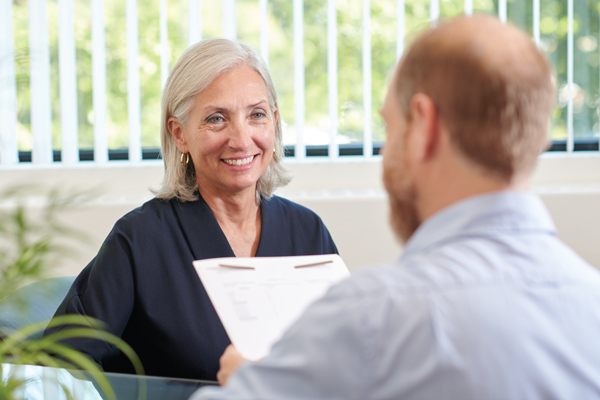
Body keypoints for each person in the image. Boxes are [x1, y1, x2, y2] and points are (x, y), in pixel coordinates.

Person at [191, 15, 600, 400]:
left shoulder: (376, 317)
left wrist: (249, 384)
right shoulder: (590, 304)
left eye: (390, 127)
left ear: (424, 125)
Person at [46, 39, 338, 381]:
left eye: (256, 115)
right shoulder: (141, 240)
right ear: (179, 133)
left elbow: (344, 362)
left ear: (274, 122)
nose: (242, 139)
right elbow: (54, 370)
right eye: (217, 119)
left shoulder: (307, 232)